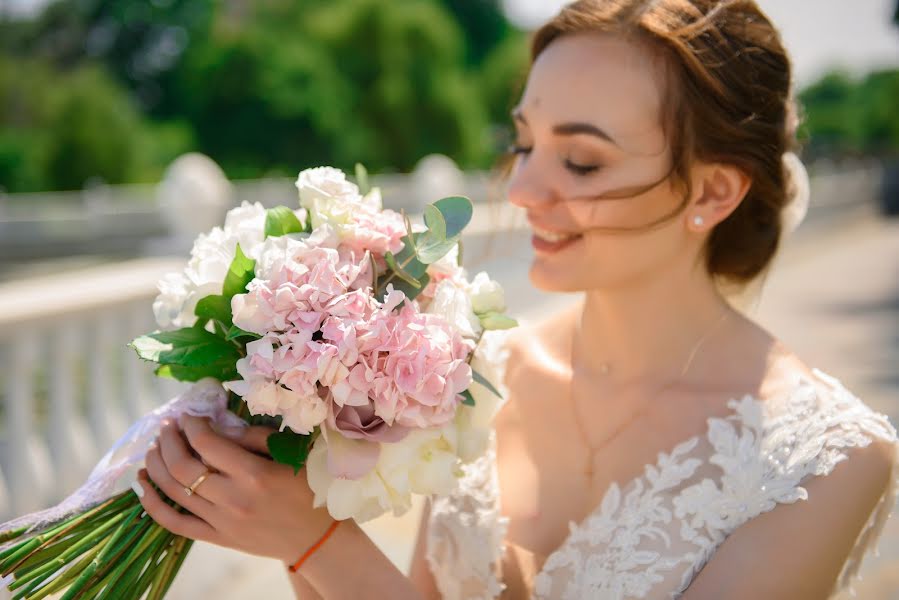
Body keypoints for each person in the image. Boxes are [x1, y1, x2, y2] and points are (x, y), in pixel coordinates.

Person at [134, 1, 899, 598]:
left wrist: (315, 542)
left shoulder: (828, 459)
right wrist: (298, 462)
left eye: (582, 160)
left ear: (712, 190)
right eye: (525, 143)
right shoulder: (475, 373)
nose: (525, 190)